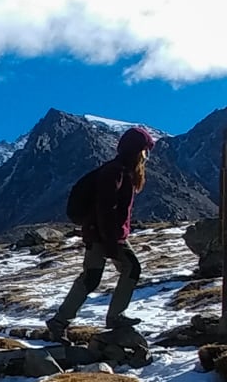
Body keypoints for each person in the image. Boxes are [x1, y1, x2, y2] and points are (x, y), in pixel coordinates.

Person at [46, 126, 157, 342]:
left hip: (99, 234)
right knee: (132, 268)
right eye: (144, 151)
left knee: (91, 277)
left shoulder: (118, 170)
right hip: (107, 235)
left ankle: (59, 322)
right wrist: (111, 240)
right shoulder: (116, 172)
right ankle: (115, 316)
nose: (146, 156)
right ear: (136, 150)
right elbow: (106, 208)